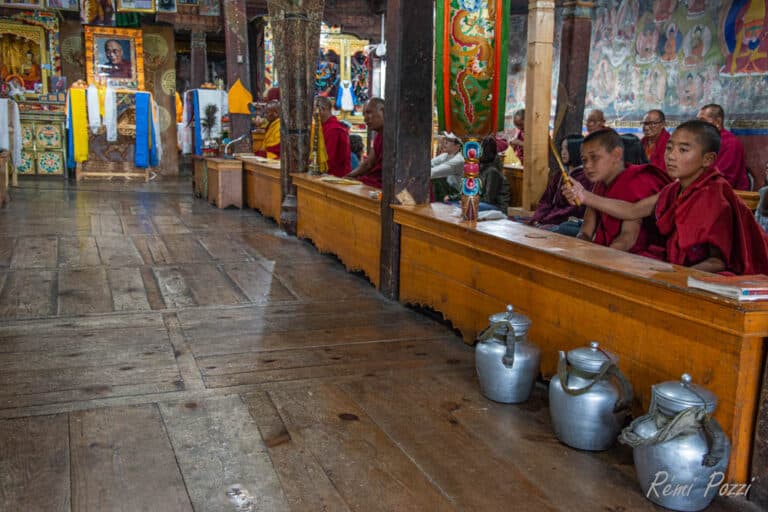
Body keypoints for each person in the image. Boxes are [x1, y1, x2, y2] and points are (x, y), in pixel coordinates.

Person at [565, 120, 768, 274]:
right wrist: (585, 196)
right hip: (678, 265)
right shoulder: (673, 189)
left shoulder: (715, 193)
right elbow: (632, 210)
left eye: (683, 150)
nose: (671, 155)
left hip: (714, 275)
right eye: (670, 147)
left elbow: (719, 261)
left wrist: (672, 276)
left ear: (708, 159)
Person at [574, 128, 671, 255]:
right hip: (603, 251)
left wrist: (600, 258)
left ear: (616, 155)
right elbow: (586, 229)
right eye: (584, 160)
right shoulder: (600, 183)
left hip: (634, 259)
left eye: (594, 157)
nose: (587, 165)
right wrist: (578, 247)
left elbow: (627, 238)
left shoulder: (636, 181)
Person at [527, 134, 592, 231]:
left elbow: (575, 209)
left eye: (567, 149)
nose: (563, 153)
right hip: (548, 218)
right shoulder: (560, 175)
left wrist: (547, 220)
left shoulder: (585, 177)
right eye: (562, 149)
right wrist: (537, 219)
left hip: (564, 222)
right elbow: (546, 201)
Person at [697, 104, 749, 190]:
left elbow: (723, 175)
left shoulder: (730, 142)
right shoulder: (703, 140)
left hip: (728, 193)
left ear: (717, 122)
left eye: (702, 120)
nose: (698, 125)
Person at [347, 97, 384, 189]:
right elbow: (368, 163)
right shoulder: (379, 137)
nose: (365, 119)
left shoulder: (396, 137)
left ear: (383, 112)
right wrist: (348, 177)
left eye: (369, 112)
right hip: (373, 182)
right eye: (364, 114)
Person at [314, 96, 351, 177]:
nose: (313, 115)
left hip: (335, 177)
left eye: (313, 111)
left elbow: (328, 159)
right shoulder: (322, 127)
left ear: (322, 109)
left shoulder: (334, 129)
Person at [477, 136, 510, 212]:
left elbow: (488, 199)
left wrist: (470, 199)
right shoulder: (480, 166)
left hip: (496, 208)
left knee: (469, 205)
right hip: (482, 204)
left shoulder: (493, 171)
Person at [430, 131, 465, 200]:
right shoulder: (445, 155)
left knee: (436, 178)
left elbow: (433, 173)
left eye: (449, 141)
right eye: (445, 139)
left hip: (458, 195)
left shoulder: (459, 160)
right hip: (449, 190)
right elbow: (429, 164)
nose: (445, 142)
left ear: (457, 146)